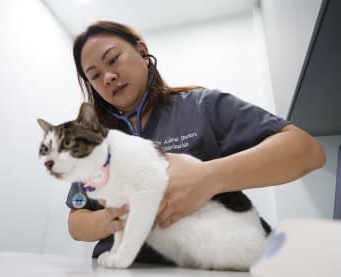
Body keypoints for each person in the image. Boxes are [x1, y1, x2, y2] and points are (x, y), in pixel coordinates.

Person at [66, 20, 326, 264]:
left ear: (142, 52)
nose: (108, 77)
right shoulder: (92, 142)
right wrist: (109, 220)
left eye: (113, 59)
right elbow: (76, 220)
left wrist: (209, 177)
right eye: (95, 76)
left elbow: (306, 151)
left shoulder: (203, 107)